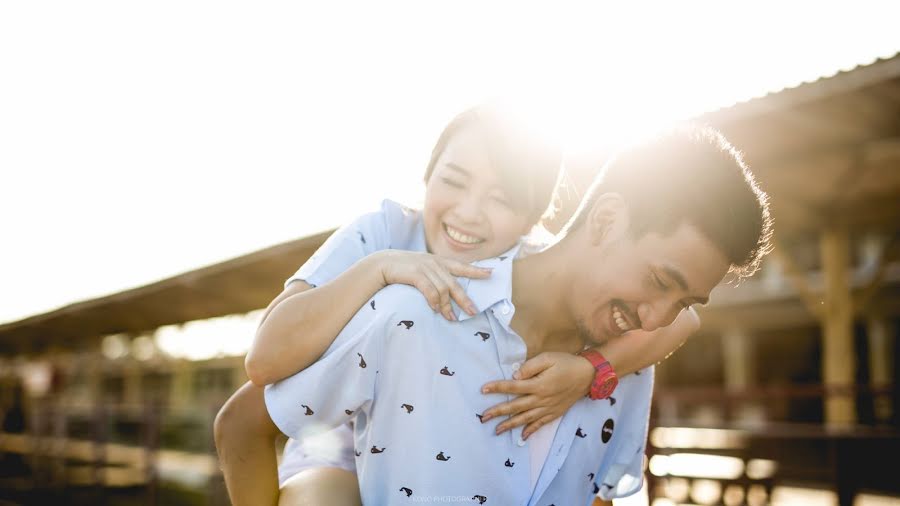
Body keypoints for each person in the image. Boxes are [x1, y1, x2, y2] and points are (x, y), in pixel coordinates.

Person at [215, 106, 704, 505]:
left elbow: (683, 318)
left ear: (534, 217)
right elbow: (264, 360)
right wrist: (381, 268)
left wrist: (588, 370)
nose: (468, 212)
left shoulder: (529, 271)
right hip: (334, 442)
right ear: (427, 177)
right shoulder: (383, 233)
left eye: (501, 198)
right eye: (453, 180)